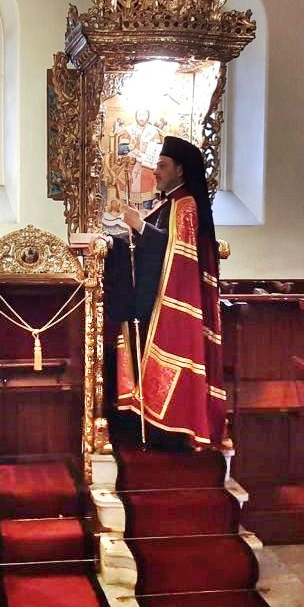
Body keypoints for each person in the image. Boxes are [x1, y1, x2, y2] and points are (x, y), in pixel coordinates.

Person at [104, 136, 225, 447]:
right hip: (152, 299)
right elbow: (153, 247)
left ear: (180, 170)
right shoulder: (169, 203)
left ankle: (175, 431)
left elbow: (175, 253)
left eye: (162, 165)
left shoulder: (187, 205)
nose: (155, 172)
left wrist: (139, 226)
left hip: (173, 301)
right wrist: (116, 241)